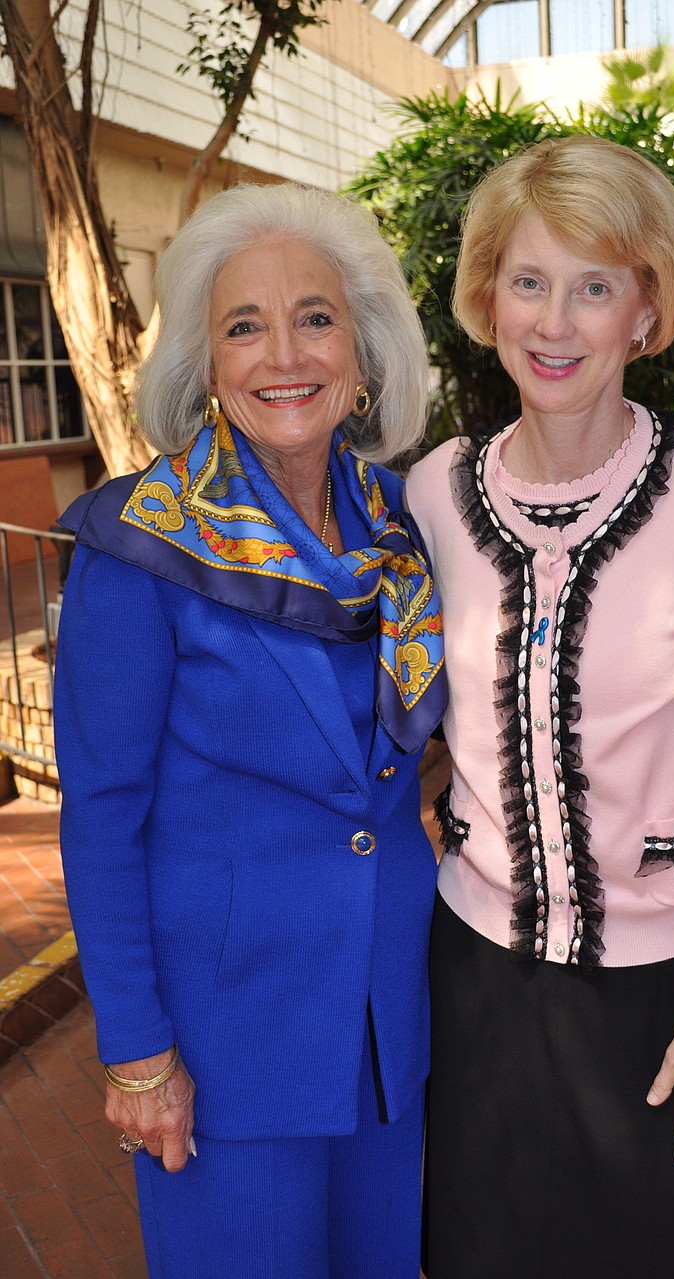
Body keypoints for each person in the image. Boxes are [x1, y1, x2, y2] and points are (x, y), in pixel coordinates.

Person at [406, 136, 674, 1279]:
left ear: (645, 309)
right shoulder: (433, 492)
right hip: (480, 980)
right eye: (528, 281)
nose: (554, 322)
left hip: (672, 992)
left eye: (594, 287)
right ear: (487, 298)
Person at [53, 181, 446, 1279]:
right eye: (243, 325)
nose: (284, 354)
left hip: (387, 1028)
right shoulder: (141, 545)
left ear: (362, 353)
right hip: (226, 1046)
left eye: (315, 317)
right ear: (206, 365)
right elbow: (102, 818)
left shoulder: (399, 524)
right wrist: (138, 1052)